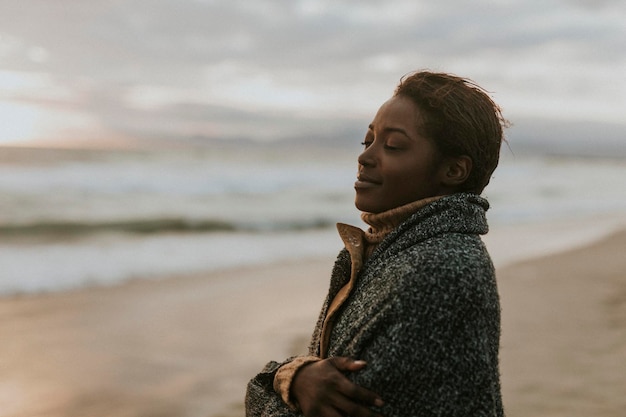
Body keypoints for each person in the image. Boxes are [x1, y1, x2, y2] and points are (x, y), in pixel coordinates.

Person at [245, 70, 507, 417]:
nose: (365, 157)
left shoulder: (439, 269)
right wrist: (296, 376)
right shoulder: (390, 252)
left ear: (454, 171)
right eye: (367, 141)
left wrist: (271, 380)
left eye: (393, 145)